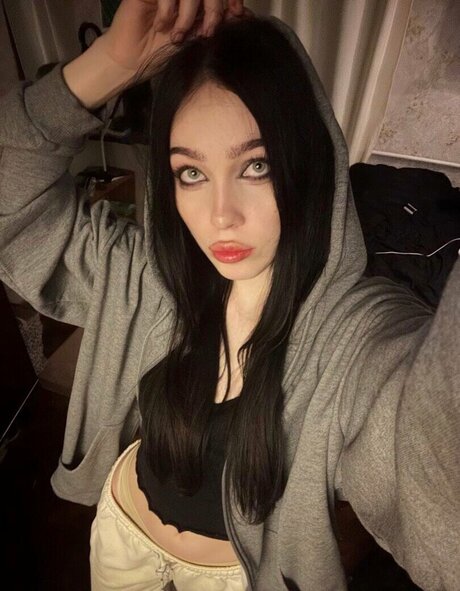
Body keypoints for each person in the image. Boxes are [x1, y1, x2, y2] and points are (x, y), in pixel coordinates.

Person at [0, 0, 458, 589]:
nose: (220, 216)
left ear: (307, 164)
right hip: (120, 537)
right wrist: (109, 64)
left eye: (256, 166)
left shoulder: (357, 342)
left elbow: (435, 465)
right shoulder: (141, 276)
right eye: (191, 173)